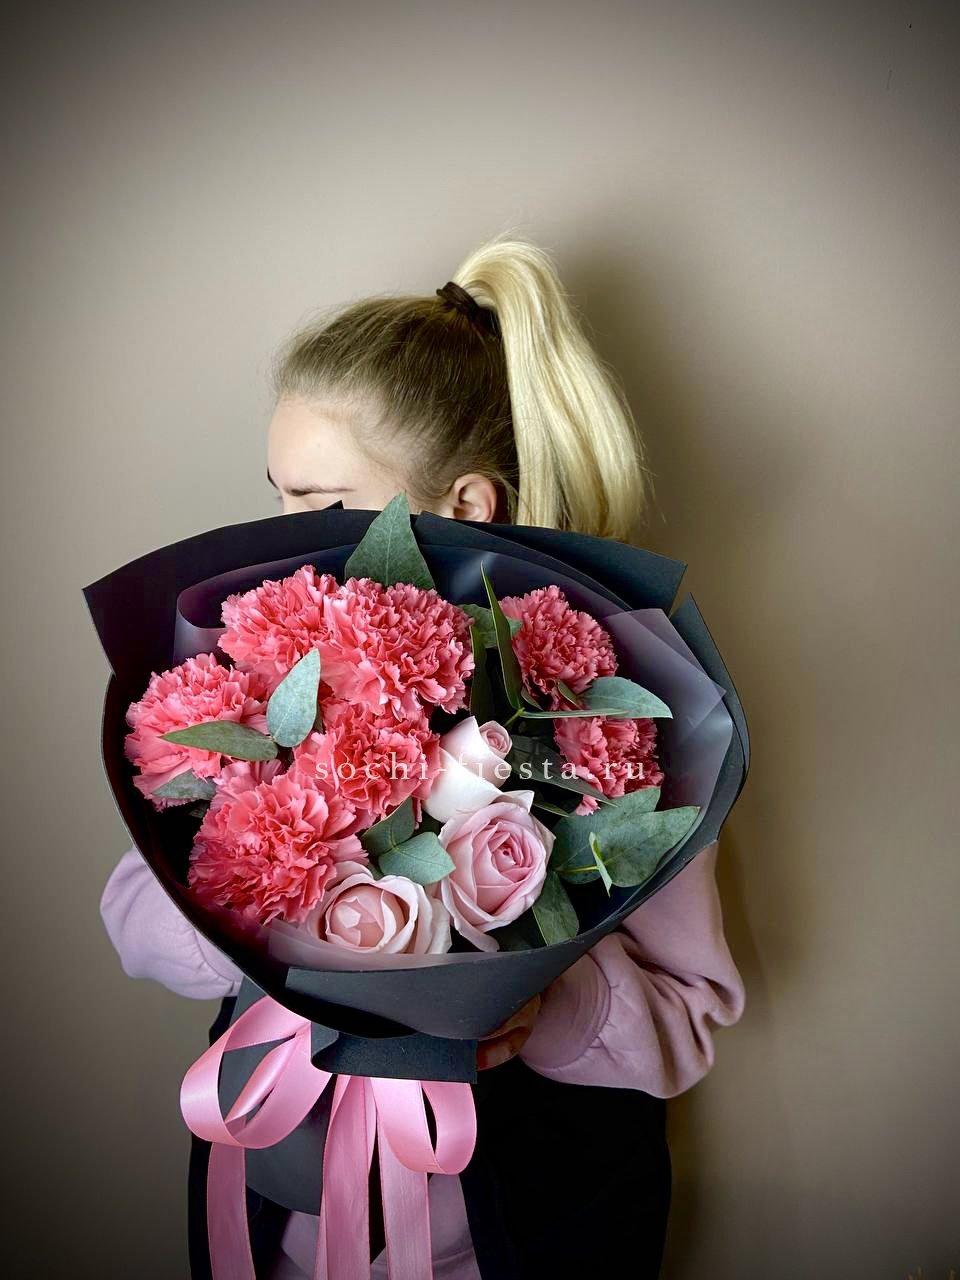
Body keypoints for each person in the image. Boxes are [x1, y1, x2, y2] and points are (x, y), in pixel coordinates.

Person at [100, 234, 745, 1279]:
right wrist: (254, 896)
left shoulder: (616, 719)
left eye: (318, 501)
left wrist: (546, 1001)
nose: (275, 533)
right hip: (284, 1218)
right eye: (274, 492)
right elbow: (133, 915)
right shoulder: (252, 672)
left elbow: (686, 1024)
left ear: (464, 508)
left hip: (523, 1235)